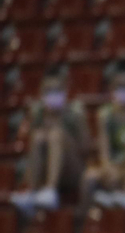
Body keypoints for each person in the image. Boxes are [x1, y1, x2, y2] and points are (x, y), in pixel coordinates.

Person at [12, 67, 90, 213]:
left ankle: (50, 190)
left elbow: (86, 149)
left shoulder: (75, 113)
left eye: (57, 90)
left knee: (56, 135)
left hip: (72, 171)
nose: (53, 94)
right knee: (38, 137)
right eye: (49, 90)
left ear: (65, 90)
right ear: (42, 92)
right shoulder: (38, 114)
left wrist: (67, 136)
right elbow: (29, 148)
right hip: (45, 170)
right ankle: (32, 190)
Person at [81, 62, 125, 212]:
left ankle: (124, 200)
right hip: (115, 167)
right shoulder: (106, 115)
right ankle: (86, 220)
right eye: (120, 86)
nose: (124, 90)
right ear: (112, 89)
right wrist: (108, 169)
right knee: (89, 177)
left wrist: (124, 172)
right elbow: (104, 151)